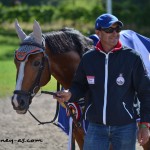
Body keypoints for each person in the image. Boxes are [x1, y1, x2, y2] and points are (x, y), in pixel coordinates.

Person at [54, 13, 150, 150]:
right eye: (109, 30)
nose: (115, 33)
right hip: (96, 128)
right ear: (98, 33)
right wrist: (69, 94)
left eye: (117, 29)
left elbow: (145, 93)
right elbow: (79, 86)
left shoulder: (132, 58)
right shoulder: (88, 59)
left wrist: (145, 124)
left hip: (125, 128)